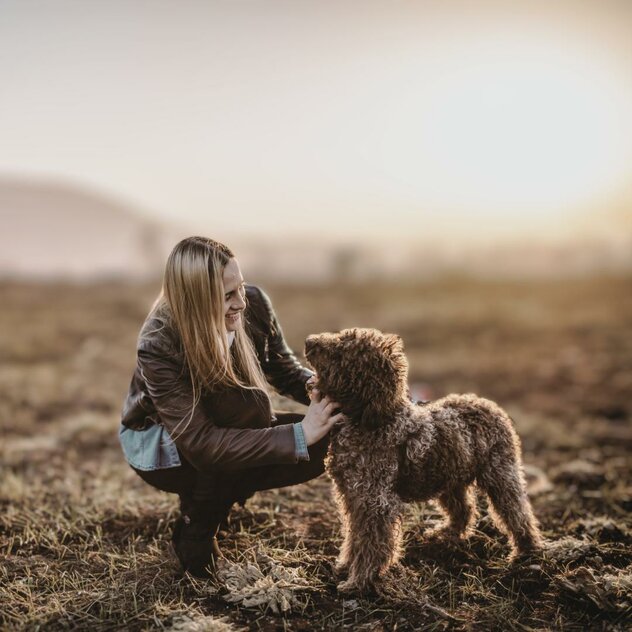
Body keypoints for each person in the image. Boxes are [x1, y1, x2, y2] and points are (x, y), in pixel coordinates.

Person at [118, 236, 343, 577]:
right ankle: (198, 529)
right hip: (161, 447)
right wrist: (300, 432)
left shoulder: (253, 301)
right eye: (227, 295)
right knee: (248, 407)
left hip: (219, 431)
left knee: (326, 441)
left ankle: (214, 498)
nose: (241, 301)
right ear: (195, 299)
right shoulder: (159, 341)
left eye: (239, 286)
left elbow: (283, 369)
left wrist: (339, 396)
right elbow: (202, 444)